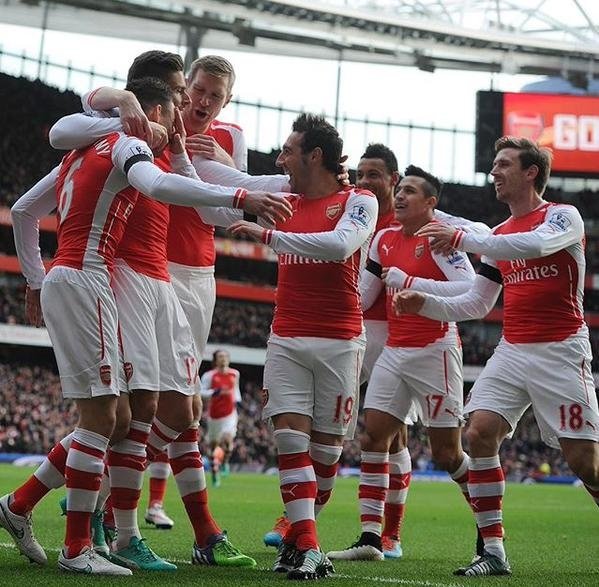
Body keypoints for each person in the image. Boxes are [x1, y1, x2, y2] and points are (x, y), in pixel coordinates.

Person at [3, 76, 264, 575]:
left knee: (121, 417)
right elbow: (158, 185)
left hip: (84, 276)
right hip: (94, 278)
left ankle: (26, 507)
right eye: (176, 105)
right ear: (154, 110)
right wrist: (239, 199)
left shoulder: (86, 144)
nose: (182, 116)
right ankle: (85, 544)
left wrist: (37, 279)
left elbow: (24, 206)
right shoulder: (125, 141)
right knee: (109, 418)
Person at [393, 136, 599, 577]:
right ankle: (493, 550)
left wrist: (465, 238)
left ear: (531, 172)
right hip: (512, 350)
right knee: (479, 433)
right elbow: (475, 304)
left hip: (561, 351)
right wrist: (423, 302)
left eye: (504, 164)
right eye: (493, 164)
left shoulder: (562, 216)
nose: (494, 172)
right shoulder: (496, 236)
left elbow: (535, 246)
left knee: (586, 465)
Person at [228, 113, 378, 580]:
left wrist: (268, 235)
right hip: (287, 335)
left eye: (288, 151)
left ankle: (297, 539)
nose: (280, 158)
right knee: (290, 441)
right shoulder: (283, 196)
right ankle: (309, 546)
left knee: (327, 458)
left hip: (340, 340)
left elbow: (337, 247)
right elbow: (233, 180)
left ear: (315, 155)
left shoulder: (360, 200)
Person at [326, 165, 476, 562]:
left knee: (447, 454)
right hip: (395, 350)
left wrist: (411, 283)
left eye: (411, 191)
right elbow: (364, 293)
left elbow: (470, 289)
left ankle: (489, 526)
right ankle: (370, 539)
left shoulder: (441, 241)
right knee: (373, 438)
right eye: (402, 190)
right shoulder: (384, 240)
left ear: (431, 203)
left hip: (437, 350)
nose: (403, 196)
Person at [147, 55, 248, 527]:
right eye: (200, 90)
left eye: (216, 95)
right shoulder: (156, 120)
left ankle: (109, 491)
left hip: (199, 274)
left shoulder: (230, 138)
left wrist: (224, 164)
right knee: (166, 399)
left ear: (227, 101)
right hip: (149, 265)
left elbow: (229, 215)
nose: (205, 101)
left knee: (181, 398)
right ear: (186, 86)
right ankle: (194, 526)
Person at [200, 349, 242, 487]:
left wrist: (238, 401)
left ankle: (225, 462)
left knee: (227, 441)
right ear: (215, 360)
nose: (223, 359)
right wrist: (215, 392)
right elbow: (201, 392)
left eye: (225, 356)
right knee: (213, 447)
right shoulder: (209, 375)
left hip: (230, 414)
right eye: (220, 356)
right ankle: (214, 473)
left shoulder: (235, 373)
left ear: (228, 359)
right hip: (214, 416)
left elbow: (235, 390)